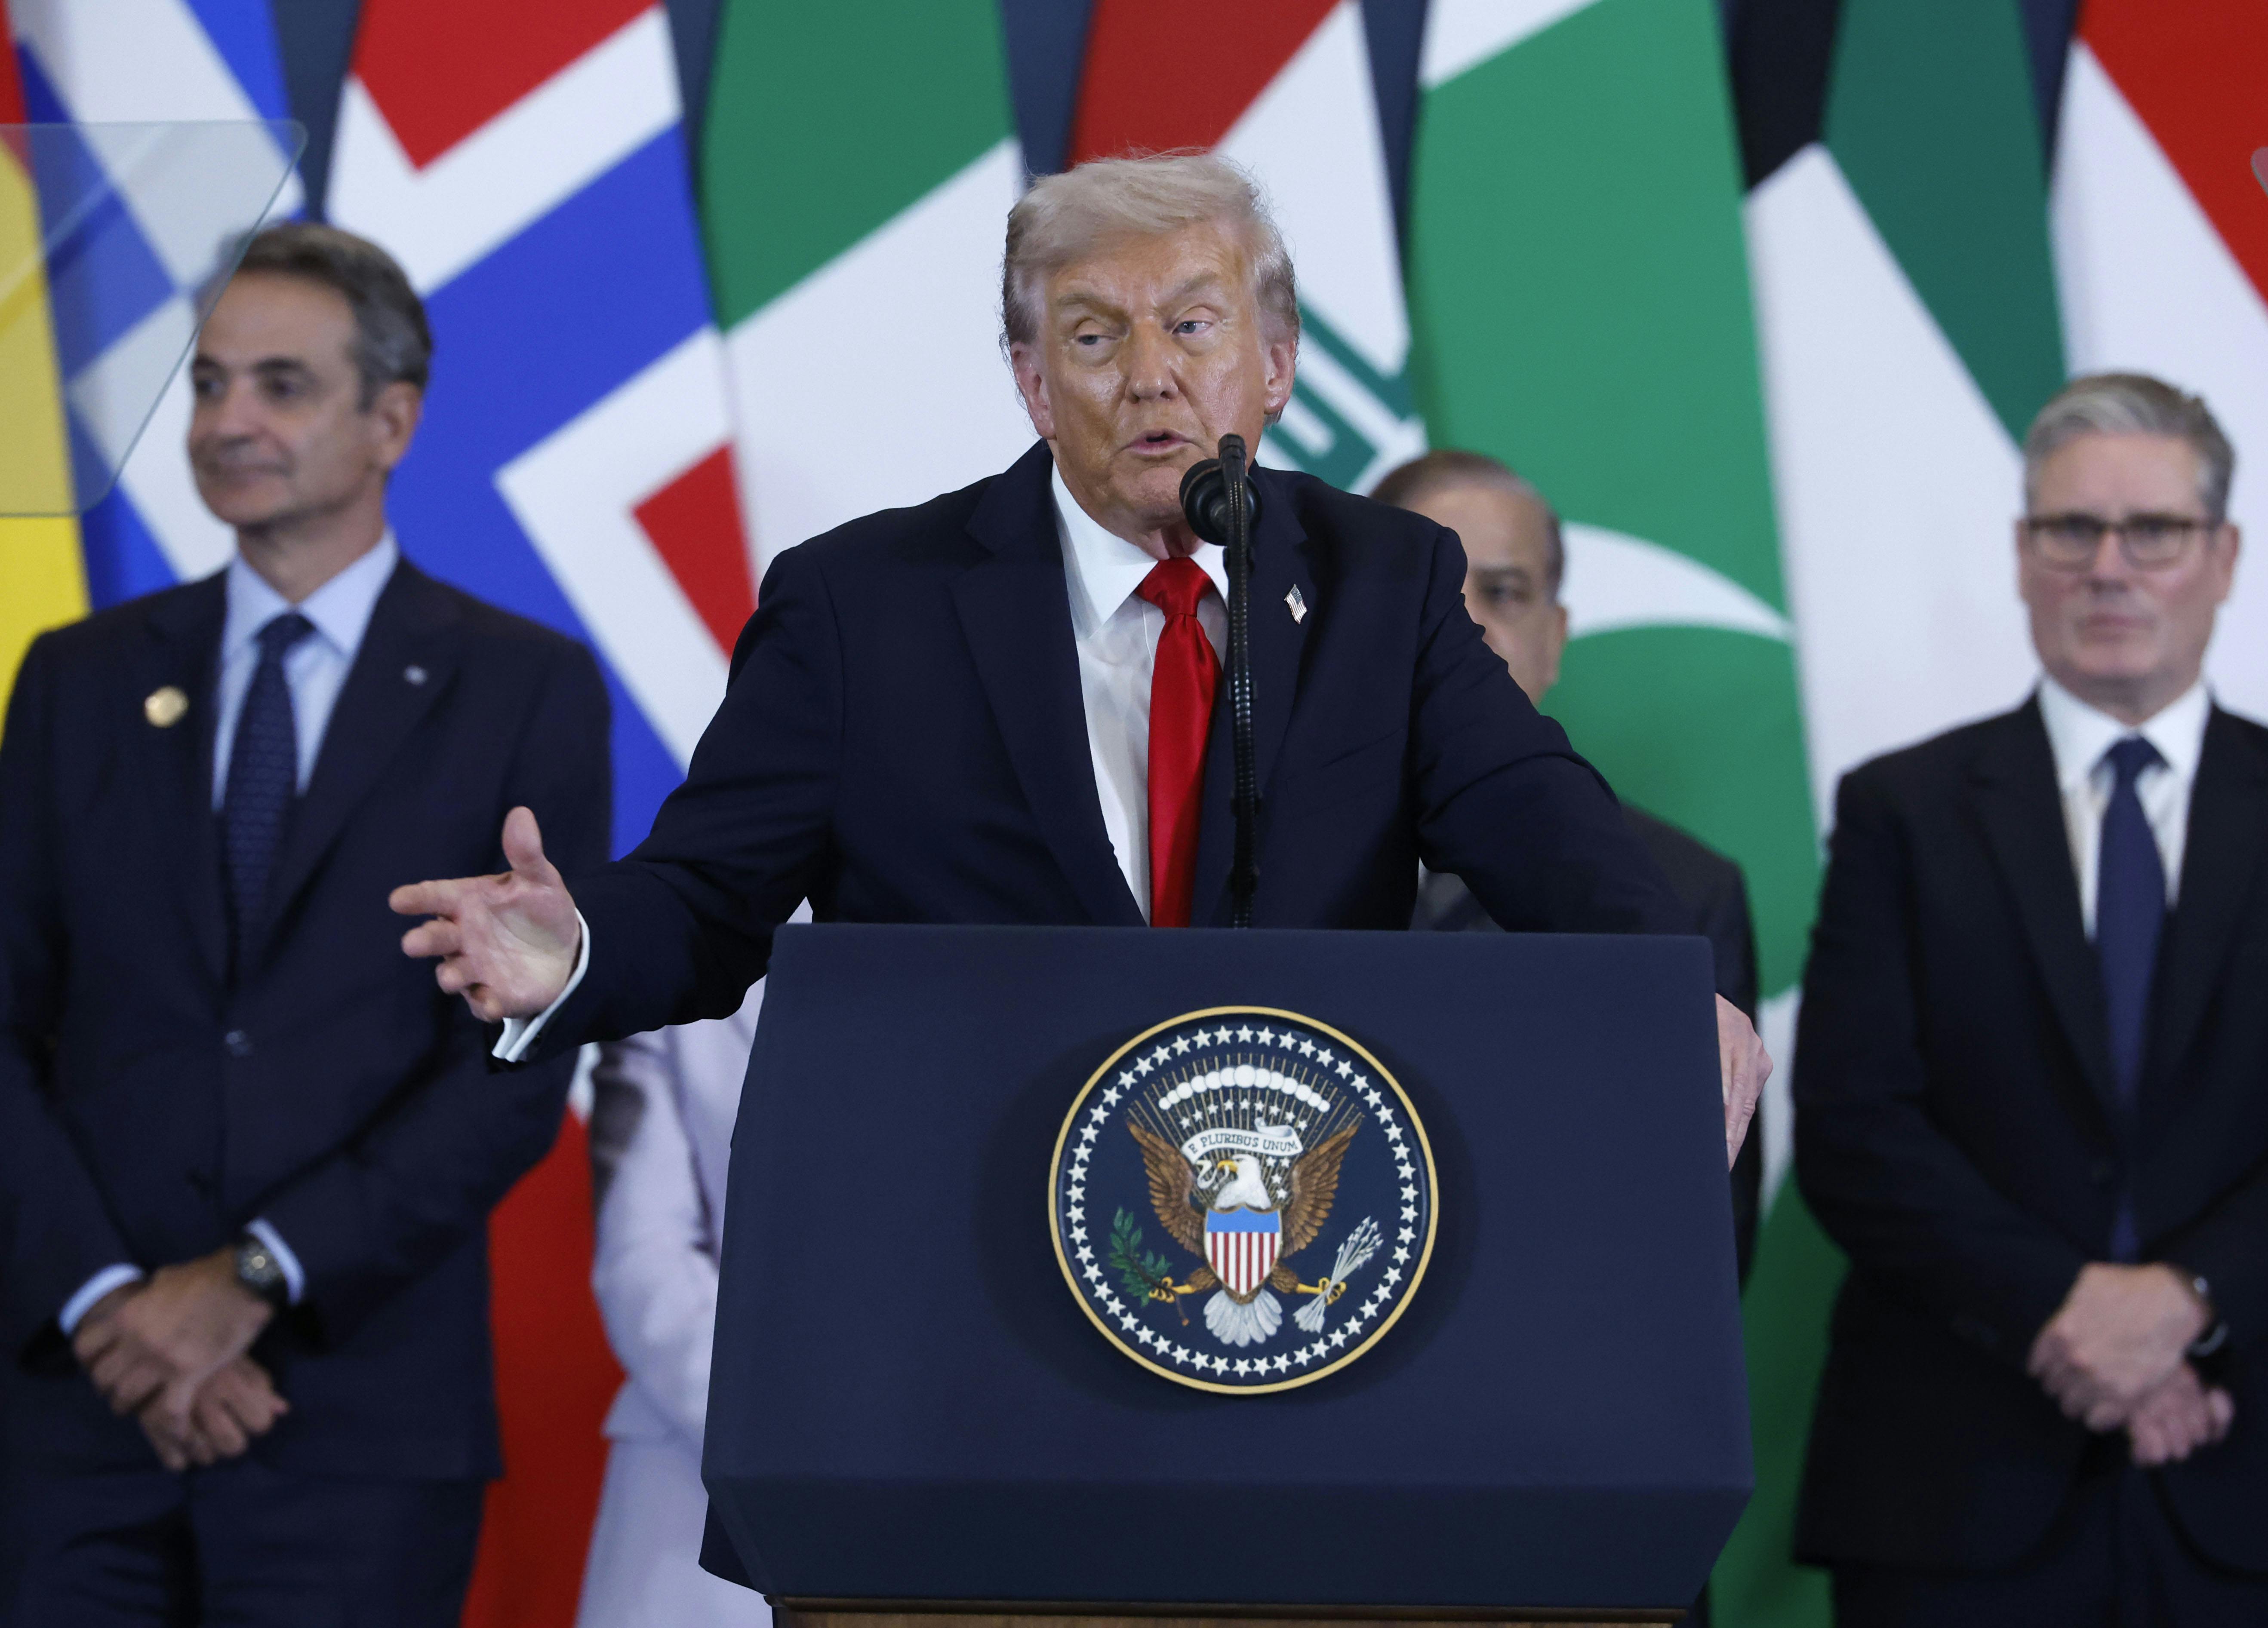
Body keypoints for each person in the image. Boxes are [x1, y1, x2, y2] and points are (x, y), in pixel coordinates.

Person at [389, 152, 1769, 1157]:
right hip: (966, 1243)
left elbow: (1539, 821)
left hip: (1287, 1246)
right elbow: (706, 901)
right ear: (1034, 383)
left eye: (1195, 323)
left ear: (1276, 363)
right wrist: (579, 949)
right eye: (1096, 337)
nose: (1150, 374)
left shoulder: (1382, 583)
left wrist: (1671, 988)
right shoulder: (866, 606)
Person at [0, 223, 612, 1624]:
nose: (228, 422)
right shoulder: (76, 679)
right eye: (210, 383)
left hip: (356, 1422)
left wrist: (254, 1278)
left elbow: (515, 1067)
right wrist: (108, 1305)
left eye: (279, 385)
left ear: (392, 418)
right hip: (75, 1418)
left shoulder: (522, 688)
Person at [1793, 372, 2268, 1624]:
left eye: (2154, 531)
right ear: (2024, 555)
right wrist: (2069, 1310)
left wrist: (2182, 1310)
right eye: (2069, 530)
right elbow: (1858, 1127)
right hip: (1955, 1478)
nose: (2109, 566)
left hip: (2259, 1467)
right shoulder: (1899, 812)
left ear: (2224, 555)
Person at [1375, 449, 1764, 1281]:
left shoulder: (1684, 893)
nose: (1467, 624)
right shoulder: (1250, 848)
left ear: (1554, 638)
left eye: (1505, 592)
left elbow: (1700, 1243)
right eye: (1432, 587)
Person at [573, 912, 807, 1628]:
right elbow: (643, 1257)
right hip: (693, 1490)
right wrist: (790, 1437)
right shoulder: (676, 957)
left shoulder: (1000, 940)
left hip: (954, 1489)